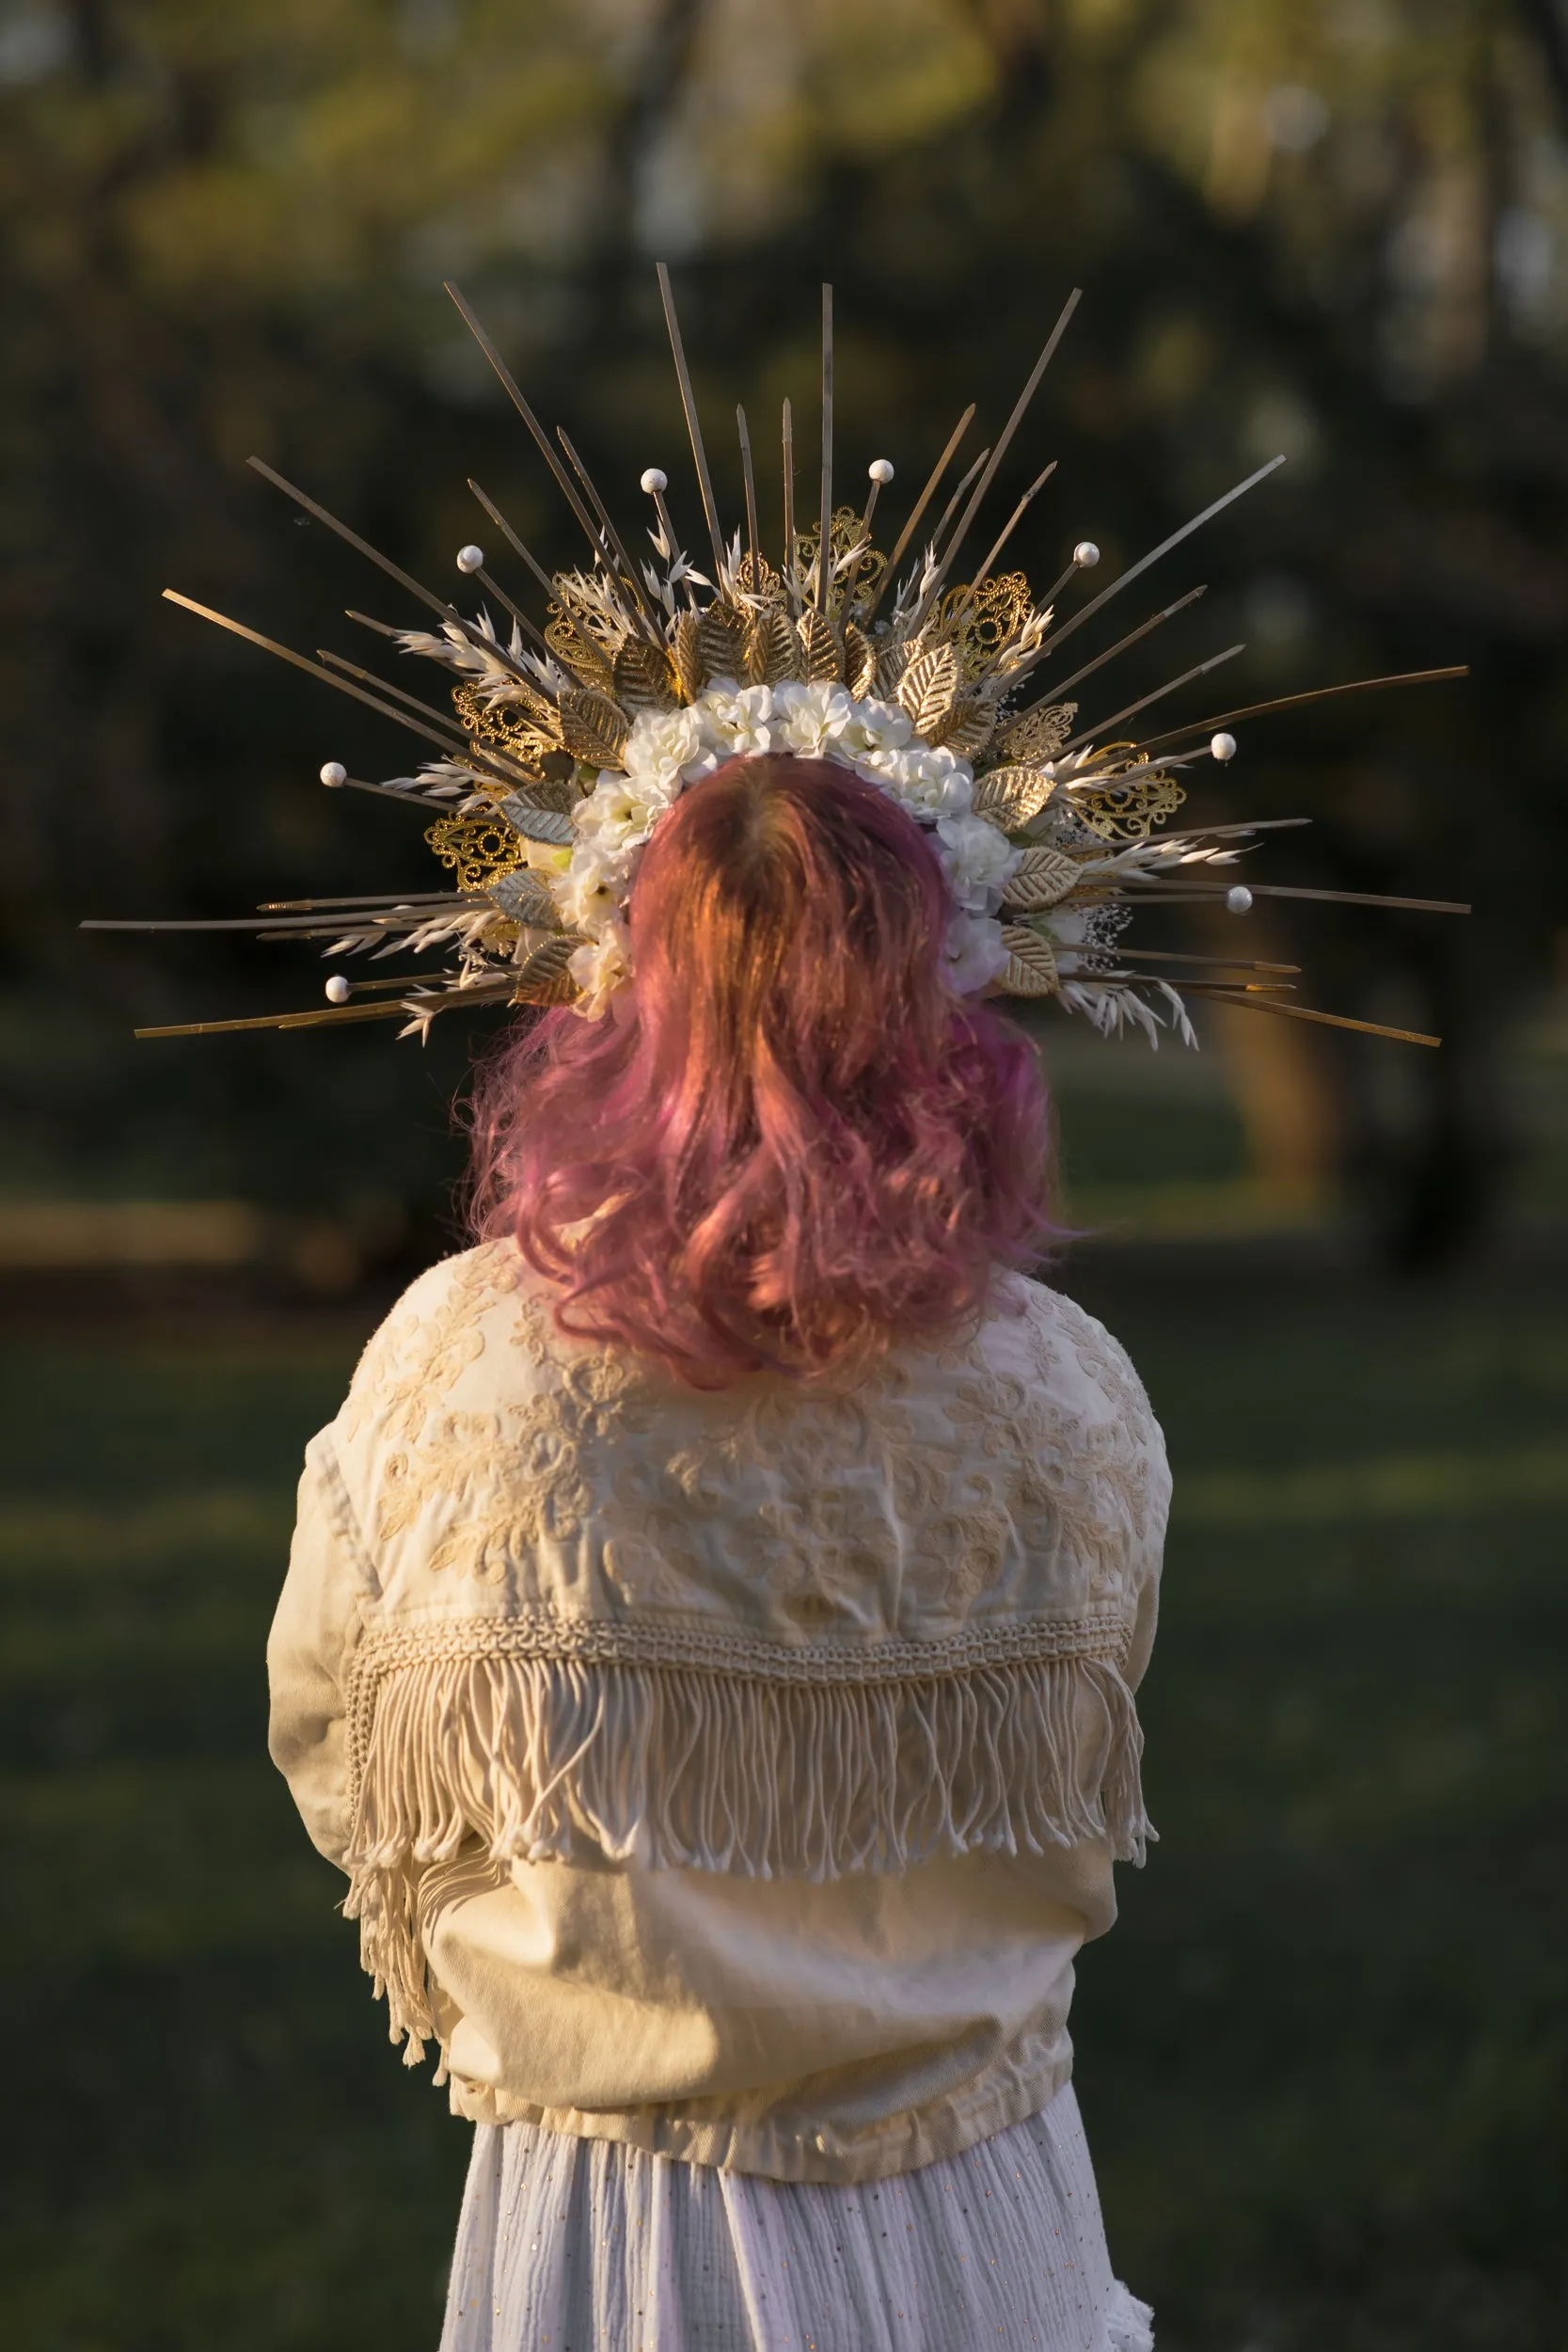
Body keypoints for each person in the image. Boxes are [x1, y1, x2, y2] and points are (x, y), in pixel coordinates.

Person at [267, 751, 1168, 2350]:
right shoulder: (1064, 1380)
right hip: (978, 2177)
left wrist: (556, 1981)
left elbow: (342, 1749)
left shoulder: (456, 1357)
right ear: (933, 984)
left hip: (616, 2202)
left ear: (621, 976)